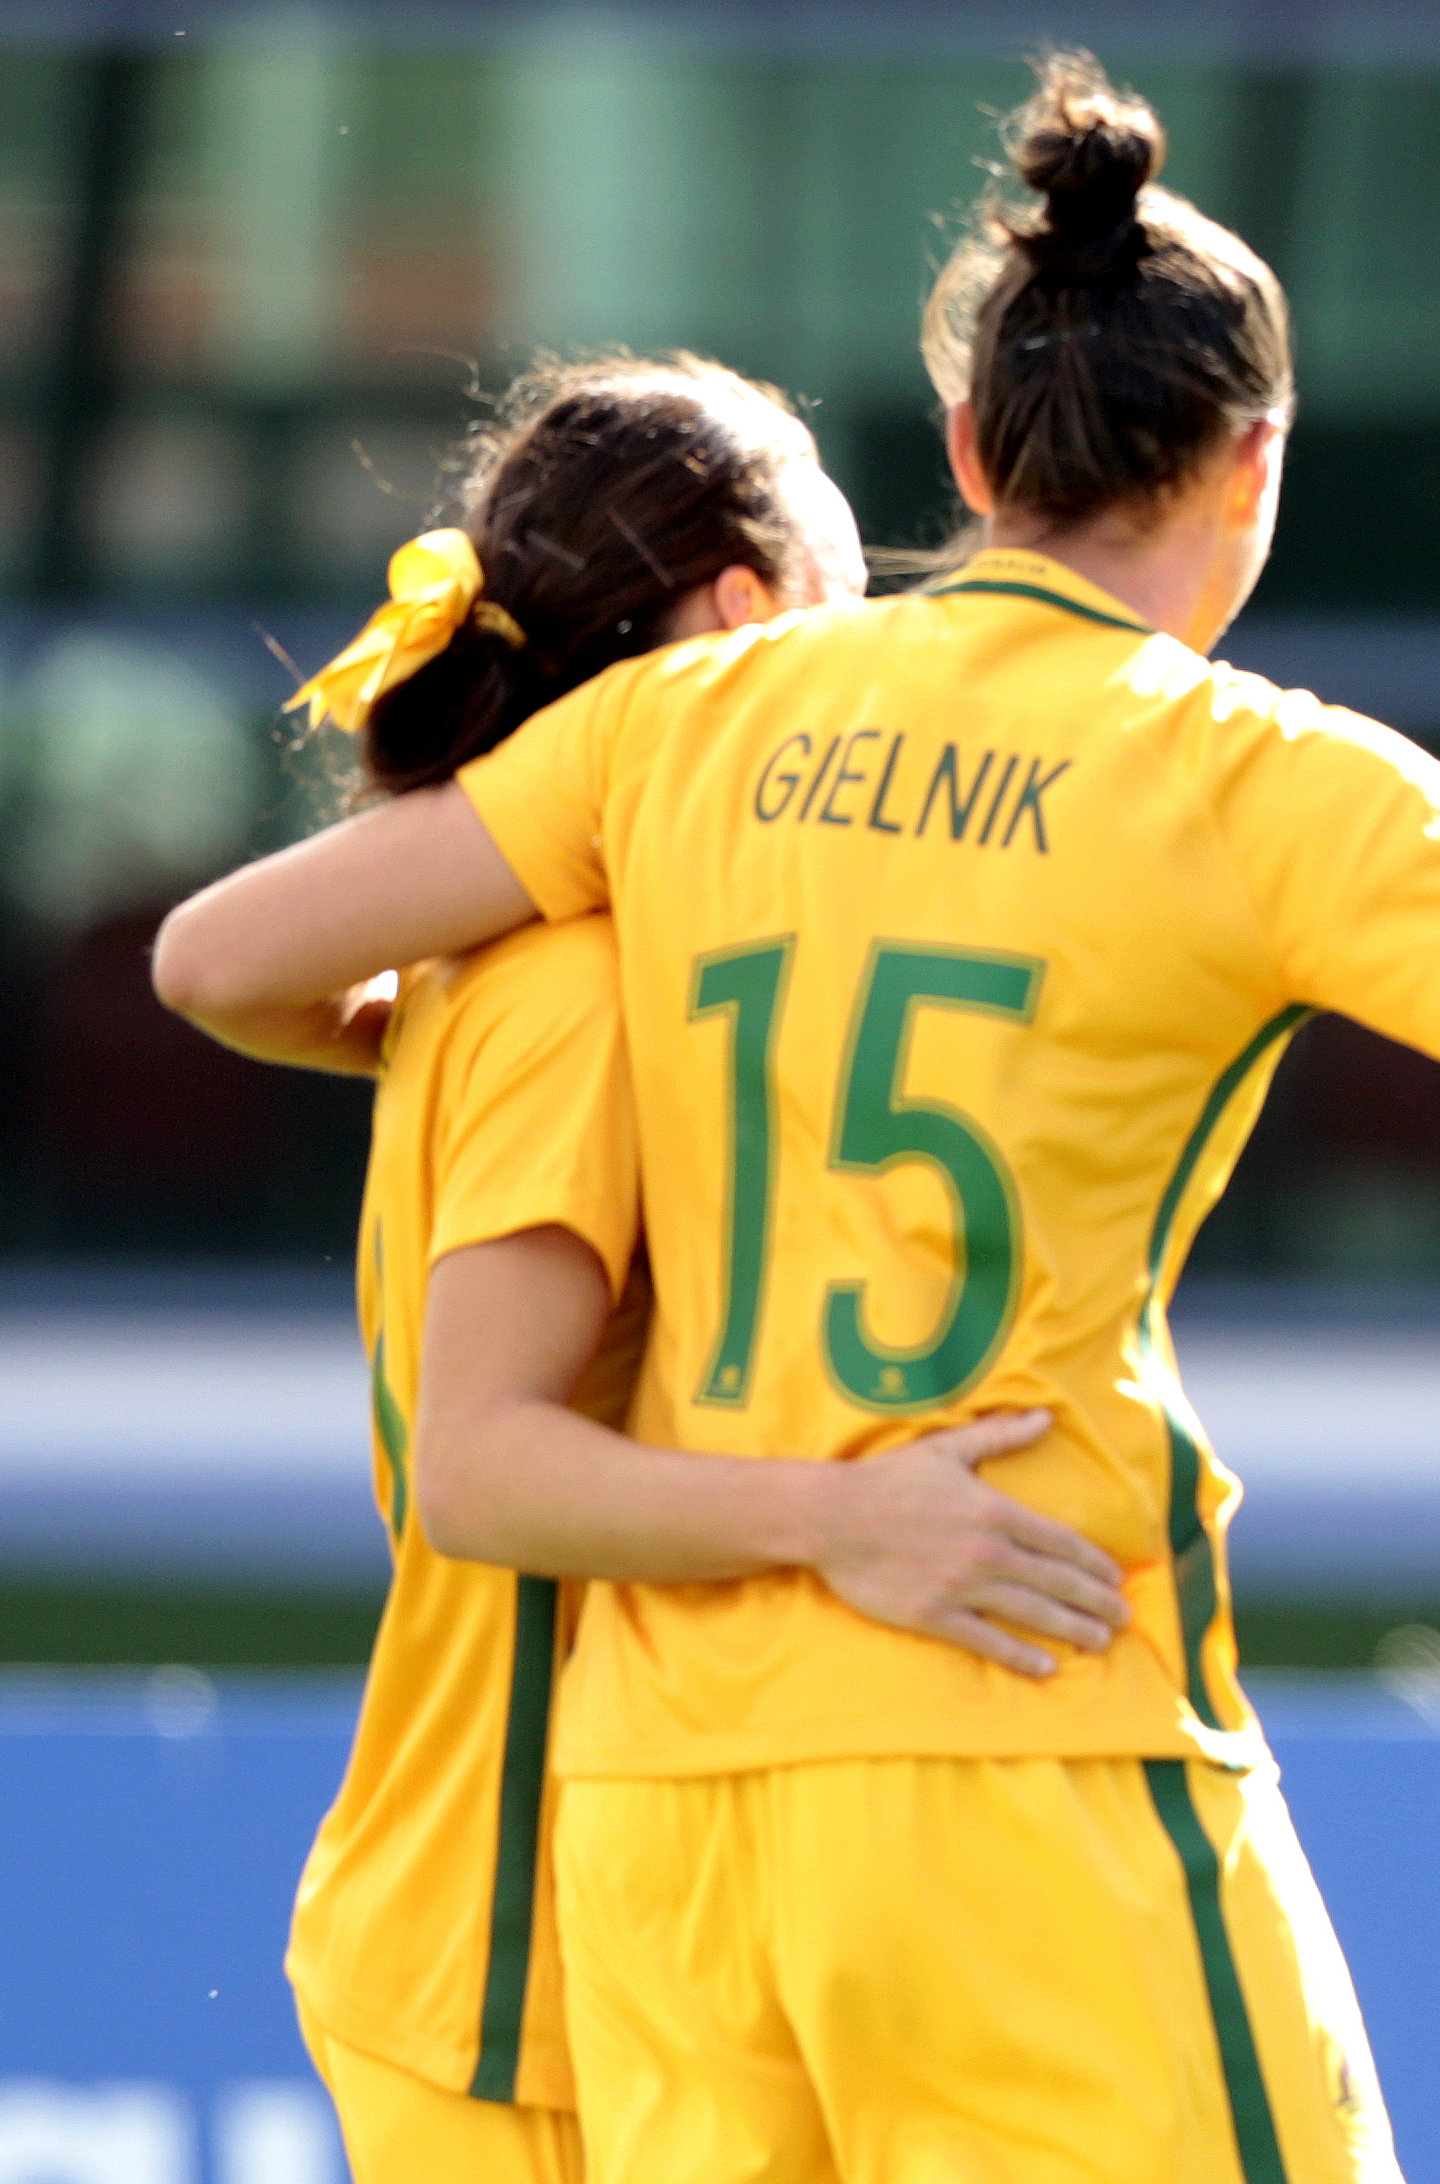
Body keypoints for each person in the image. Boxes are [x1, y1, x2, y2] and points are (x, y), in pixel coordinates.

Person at [150, 50, 1440, 2184]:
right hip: (1011, 1718)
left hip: (667, 1814)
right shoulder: (1240, 774)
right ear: (1257, 467)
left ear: (965, 448)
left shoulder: (691, 716)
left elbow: (219, 959)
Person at [253, 354, 1131, 2184]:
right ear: (744, 621)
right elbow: (483, 1470)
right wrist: (845, 1518)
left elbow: (225, 971)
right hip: (513, 1971)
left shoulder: (539, 951)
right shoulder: (573, 982)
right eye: (843, 587)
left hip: (608, 1932)